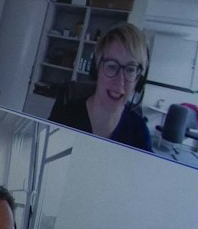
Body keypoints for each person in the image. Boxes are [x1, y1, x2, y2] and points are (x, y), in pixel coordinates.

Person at [50, 21, 155, 152]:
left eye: (130, 69)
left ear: (139, 80)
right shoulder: (64, 117)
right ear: (96, 69)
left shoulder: (139, 133)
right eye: (111, 66)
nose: (120, 82)